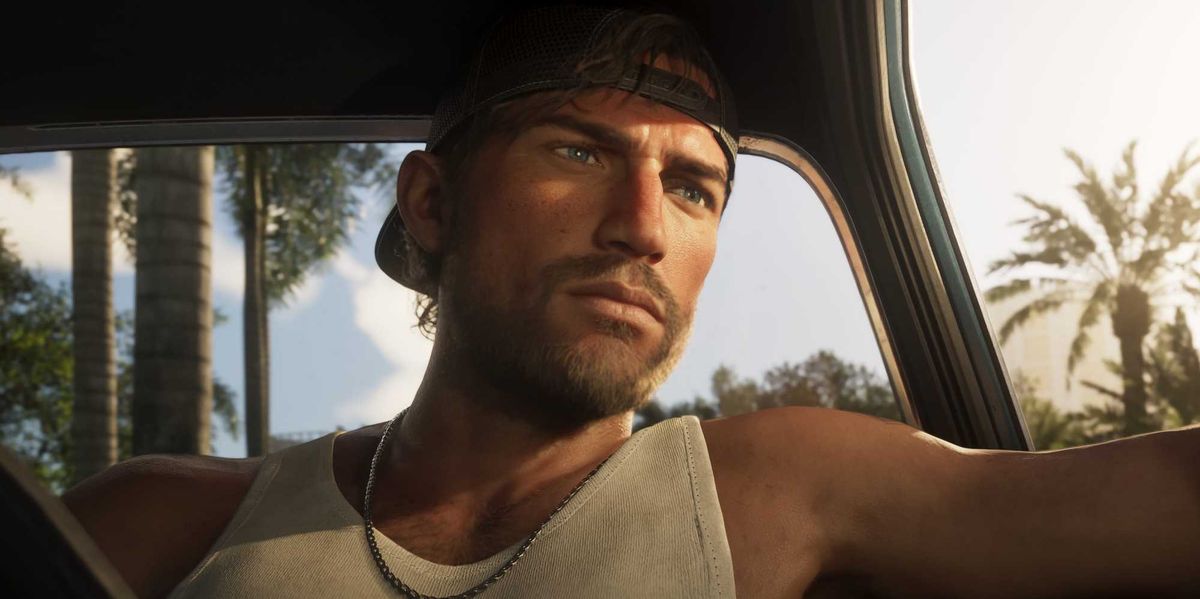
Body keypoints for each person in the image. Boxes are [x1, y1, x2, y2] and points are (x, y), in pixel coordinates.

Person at [63, 6, 1200, 598]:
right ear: (433, 202)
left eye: (694, 187)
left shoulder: (789, 484)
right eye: (578, 151)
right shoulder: (162, 522)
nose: (645, 226)